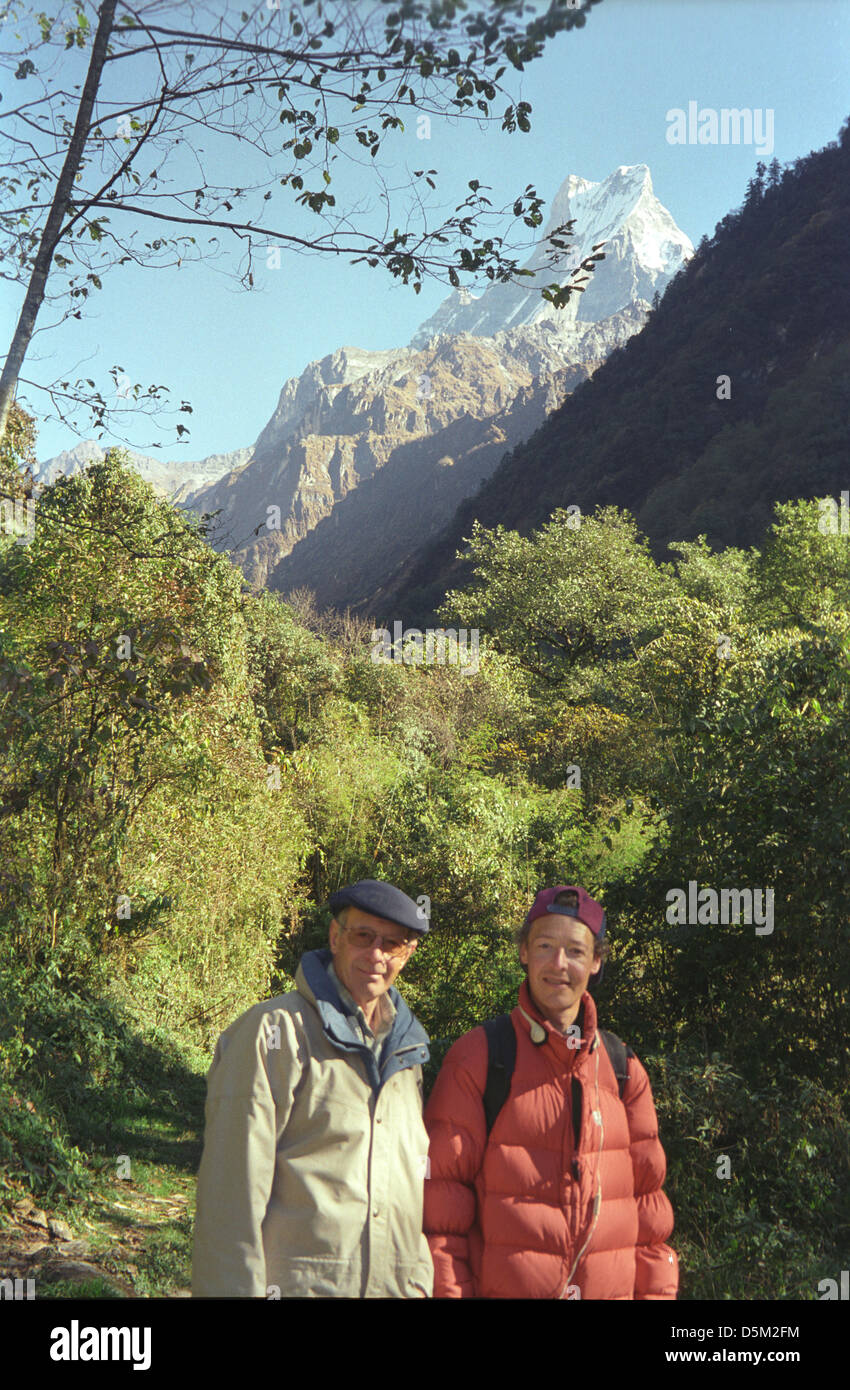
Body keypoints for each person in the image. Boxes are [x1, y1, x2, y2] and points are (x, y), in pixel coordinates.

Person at [423, 885, 679, 1299]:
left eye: (576, 951)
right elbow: (439, 1217)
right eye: (545, 945)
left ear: (596, 961)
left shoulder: (623, 1069)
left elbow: (651, 1224)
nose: (559, 964)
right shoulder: (480, 1058)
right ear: (524, 952)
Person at [192, 878, 434, 1298]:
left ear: (407, 954)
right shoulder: (275, 1032)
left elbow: (410, 1200)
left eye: (392, 943)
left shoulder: (408, 1053)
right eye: (363, 936)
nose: (376, 955)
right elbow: (231, 1198)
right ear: (335, 937)